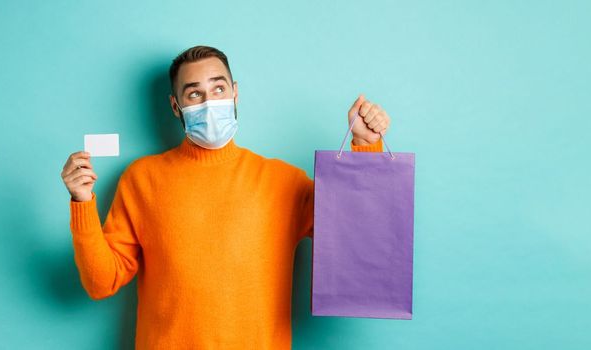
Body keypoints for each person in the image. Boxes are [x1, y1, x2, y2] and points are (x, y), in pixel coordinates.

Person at [59, 45, 391, 349]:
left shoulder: (283, 181)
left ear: (235, 94)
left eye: (218, 89)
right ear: (176, 106)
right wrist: (82, 203)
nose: (209, 102)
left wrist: (365, 146)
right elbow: (100, 282)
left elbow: (356, 238)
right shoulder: (141, 179)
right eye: (194, 94)